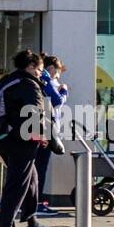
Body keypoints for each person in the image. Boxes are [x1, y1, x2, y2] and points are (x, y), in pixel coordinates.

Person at [0, 50, 51, 227]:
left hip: (4, 137)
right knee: (17, 184)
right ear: (31, 66)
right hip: (21, 141)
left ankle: (32, 222)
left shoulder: (8, 80)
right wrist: (41, 136)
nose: (41, 73)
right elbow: (35, 114)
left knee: (31, 179)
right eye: (40, 69)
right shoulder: (29, 85)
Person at [35, 55, 68, 216]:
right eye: (58, 71)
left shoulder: (38, 79)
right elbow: (57, 100)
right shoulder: (46, 80)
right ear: (52, 68)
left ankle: (32, 202)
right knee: (40, 167)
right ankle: (38, 203)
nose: (58, 76)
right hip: (45, 130)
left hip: (34, 127)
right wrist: (64, 91)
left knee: (35, 168)